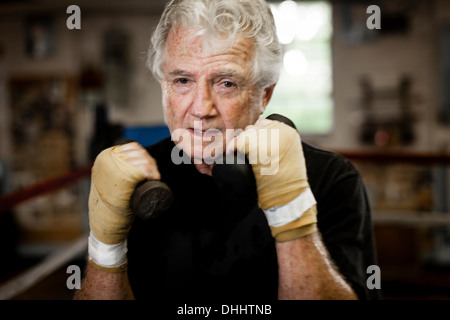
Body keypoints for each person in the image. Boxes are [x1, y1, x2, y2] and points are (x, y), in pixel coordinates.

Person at [75, 0, 381, 300]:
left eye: (226, 83)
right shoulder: (136, 178)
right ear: (163, 86)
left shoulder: (330, 179)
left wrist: (291, 208)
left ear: (265, 94)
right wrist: (105, 246)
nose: (200, 108)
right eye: (182, 80)